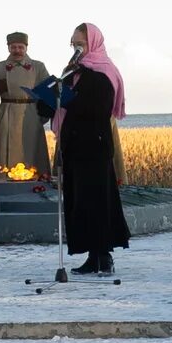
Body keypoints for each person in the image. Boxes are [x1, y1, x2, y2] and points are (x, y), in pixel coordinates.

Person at [56, 20, 130, 276]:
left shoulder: (104, 72)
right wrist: (48, 98)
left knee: (97, 202)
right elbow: (59, 104)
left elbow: (100, 109)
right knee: (80, 203)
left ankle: (103, 255)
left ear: (93, 43)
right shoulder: (72, 72)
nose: (77, 49)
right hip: (74, 146)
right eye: (73, 44)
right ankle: (91, 255)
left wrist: (70, 99)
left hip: (94, 147)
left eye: (81, 44)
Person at [0, 31, 50, 178]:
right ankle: (5, 180)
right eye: (13, 47)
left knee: (32, 152)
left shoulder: (38, 67)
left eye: (20, 47)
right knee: (7, 157)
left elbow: (48, 93)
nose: (17, 50)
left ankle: (35, 181)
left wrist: (42, 114)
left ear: (26, 47)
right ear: (8, 47)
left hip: (31, 114)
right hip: (7, 116)